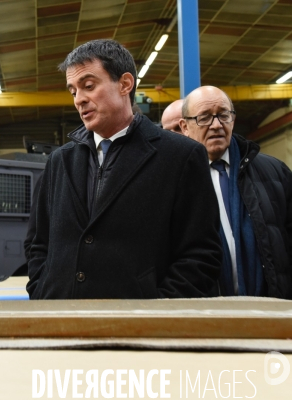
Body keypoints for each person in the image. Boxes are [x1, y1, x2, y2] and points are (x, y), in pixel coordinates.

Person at [27, 39, 222, 299]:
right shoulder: (59, 162)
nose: (79, 100)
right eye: (73, 91)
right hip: (62, 319)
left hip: (140, 327)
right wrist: (43, 291)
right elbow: (38, 244)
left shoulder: (180, 157)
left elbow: (201, 254)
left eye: (88, 86)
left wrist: (158, 311)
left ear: (125, 84)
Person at [180, 86, 292, 298]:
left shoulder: (275, 172)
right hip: (205, 315)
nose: (216, 125)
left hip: (273, 309)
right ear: (185, 126)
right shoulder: (175, 179)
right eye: (204, 117)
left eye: (223, 115)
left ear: (233, 119)